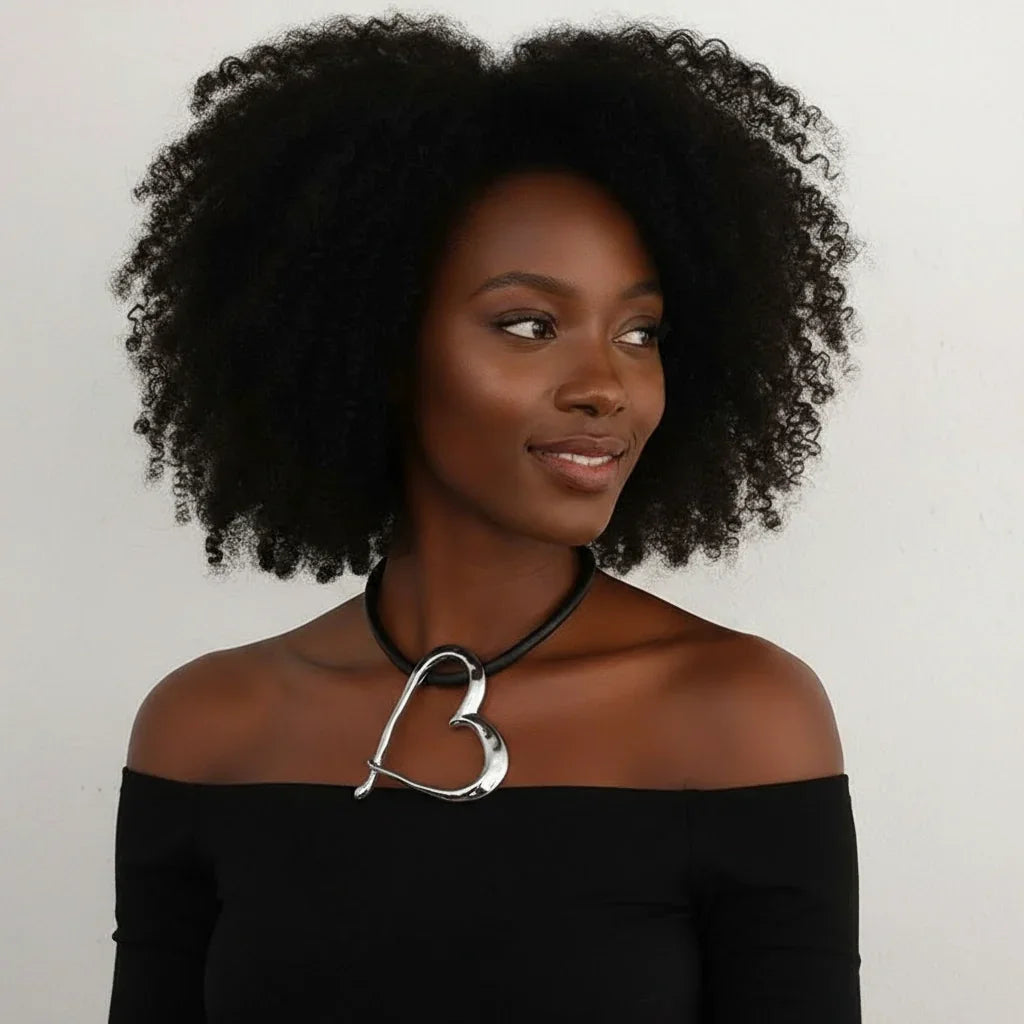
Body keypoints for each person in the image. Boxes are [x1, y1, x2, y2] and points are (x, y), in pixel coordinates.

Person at [106, 11, 865, 1022]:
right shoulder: (206, 729)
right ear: (370, 340)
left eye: (641, 332)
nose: (607, 385)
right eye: (528, 324)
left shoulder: (739, 716)